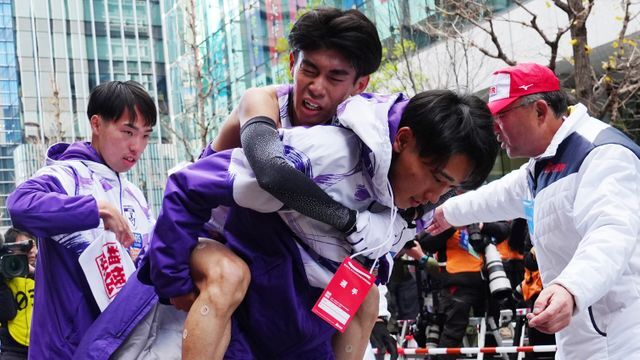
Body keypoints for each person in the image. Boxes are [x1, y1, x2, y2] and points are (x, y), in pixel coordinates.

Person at [147, 89, 499, 359]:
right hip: (243, 286)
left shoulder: (416, 200)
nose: (435, 194)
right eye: (435, 176)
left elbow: (372, 264)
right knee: (229, 275)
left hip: (305, 317)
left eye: (448, 187)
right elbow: (188, 183)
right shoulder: (326, 153)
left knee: (367, 298)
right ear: (403, 140)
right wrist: (174, 280)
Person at [166, 7, 385, 360]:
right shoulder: (262, 102)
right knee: (229, 275)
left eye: (335, 77)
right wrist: (351, 221)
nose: (316, 87)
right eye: (309, 70)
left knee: (363, 293)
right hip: (216, 240)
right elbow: (270, 171)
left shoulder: (364, 133)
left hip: (288, 259)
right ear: (291, 64)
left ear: (360, 85)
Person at [427, 62, 640, 358]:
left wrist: (570, 288)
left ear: (540, 111)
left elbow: (611, 233)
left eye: (501, 116)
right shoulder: (541, 166)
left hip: (620, 335)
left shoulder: (602, 154)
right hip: (579, 330)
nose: (495, 129)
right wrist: (445, 213)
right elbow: (496, 196)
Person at [6, 80, 158, 359]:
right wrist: (94, 209)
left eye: (146, 136)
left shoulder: (136, 196)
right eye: (127, 131)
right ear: (97, 124)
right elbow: (19, 204)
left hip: (125, 347)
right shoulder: (67, 176)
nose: (137, 146)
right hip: (67, 350)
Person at [419, 222, 510, 359]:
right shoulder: (446, 215)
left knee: (491, 329)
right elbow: (426, 242)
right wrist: (454, 223)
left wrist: (481, 225)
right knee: (453, 330)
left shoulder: (481, 208)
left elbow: (504, 230)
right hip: (455, 283)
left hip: (486, 282)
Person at [0, 229, 36, 359]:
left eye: (33, 245)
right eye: (24, 246)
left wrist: (35, 273)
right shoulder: (5, 277)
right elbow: (7, 313)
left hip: (44, 346)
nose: (31, 250)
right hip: (13, 350)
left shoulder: (47, 273)